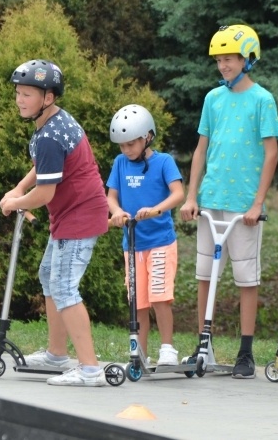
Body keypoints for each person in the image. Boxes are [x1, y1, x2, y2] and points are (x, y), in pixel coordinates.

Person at [179, 24, 278, 379]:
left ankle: (245, 351)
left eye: (230, 59)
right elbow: (201, 150)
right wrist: (192, 196)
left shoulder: (262, 100)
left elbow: (271, 154)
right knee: (204, 275)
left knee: (245, 279)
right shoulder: (213, 99)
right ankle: (202, 345)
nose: (223, 66)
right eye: (219, 60)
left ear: (248, 59)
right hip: (211, 199)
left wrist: (257, 204)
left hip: (244, 207)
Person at [0, 59, 109, 387]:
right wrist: (20, 186)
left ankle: (90, 369)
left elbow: (45, 193)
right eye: (18, 92)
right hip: (72, 215)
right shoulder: (54, 123)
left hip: (79, 216)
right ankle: (57, 355)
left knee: (63, 287)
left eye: (28, 94)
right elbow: (46, 168)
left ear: (48, 97)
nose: (20, 99)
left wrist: (15, 202)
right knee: (49, 276)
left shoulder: (48, 134)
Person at [106, 104, 184, 366]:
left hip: (160, 241)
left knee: (160, 297)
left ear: (147, 136)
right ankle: (139, 352)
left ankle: (167, 349)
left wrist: (156, 210)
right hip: (132, 244)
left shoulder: (164, 162)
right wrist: (116, 212)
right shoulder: (120, 164)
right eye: (122, 145)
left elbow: (178, 194)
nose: (126, 150)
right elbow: (112, 196)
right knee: (137, 302)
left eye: (131, 143)